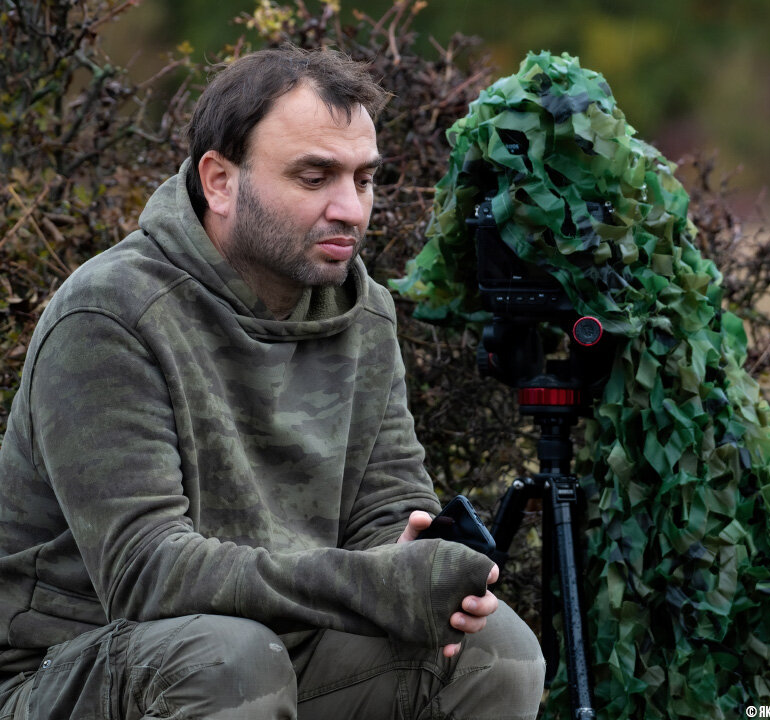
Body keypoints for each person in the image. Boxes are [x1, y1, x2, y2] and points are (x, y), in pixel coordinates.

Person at [0, 45, 544, 719]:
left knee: (496, 649)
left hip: (275, 647)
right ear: (220, 181)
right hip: (75, 666)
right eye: (315, 177)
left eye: (365, 179)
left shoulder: (361, 310)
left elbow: (387, 508)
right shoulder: (110, 314)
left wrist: (419, 565)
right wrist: (369, 585)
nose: (351, 209)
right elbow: (145, 574)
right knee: (230, 661)